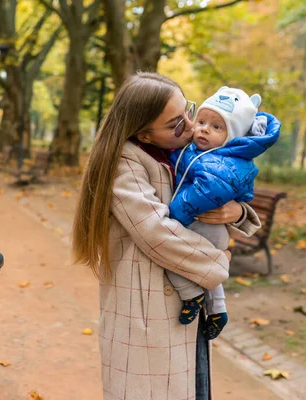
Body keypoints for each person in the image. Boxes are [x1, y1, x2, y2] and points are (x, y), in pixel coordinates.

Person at [71, 73, 270, 400]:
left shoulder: (182, 152)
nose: (192, 127)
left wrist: (237, 212)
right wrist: (218, 263)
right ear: (144, 134)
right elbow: (157, 232)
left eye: (188, 112)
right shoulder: (125, 165)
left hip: (181, 309)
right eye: (176, 124)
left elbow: (219, 187)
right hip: (145, 313)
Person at [165, 87, 280, 340]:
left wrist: (172, 216)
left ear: (233, 137)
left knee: (173, 257)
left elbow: (206, 192)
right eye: (202, 121)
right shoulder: (200, 151)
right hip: (202, 223)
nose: (204, 129)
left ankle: (191, 294)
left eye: (217, 127)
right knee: (202, 267)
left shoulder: (226, 163)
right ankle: (217, 309)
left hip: (206, 226)